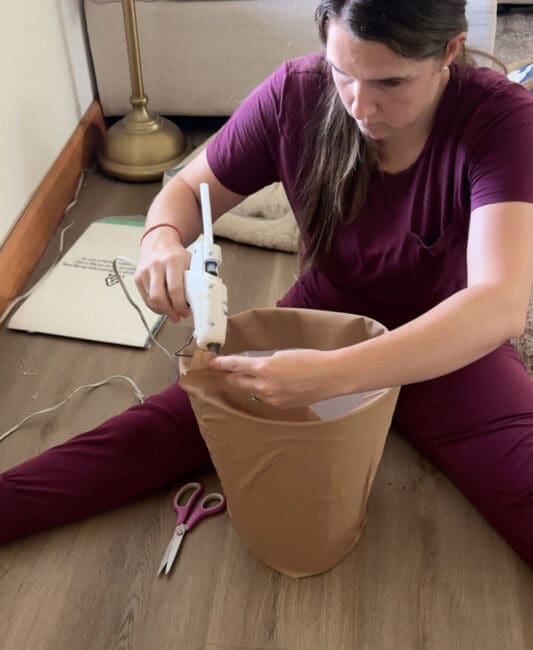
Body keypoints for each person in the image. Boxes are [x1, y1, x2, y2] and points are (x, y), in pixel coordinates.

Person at [1, 0, 532, 566]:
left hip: (447, 344)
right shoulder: (296, 95)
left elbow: (498, 306)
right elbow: (185, 191)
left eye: (391, 81)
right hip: (321, 321)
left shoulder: (502, 119)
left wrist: (331, 376)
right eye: (343, 72)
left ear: (449, 51)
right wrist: (159, 238)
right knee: (145, 437)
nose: (359, 104)